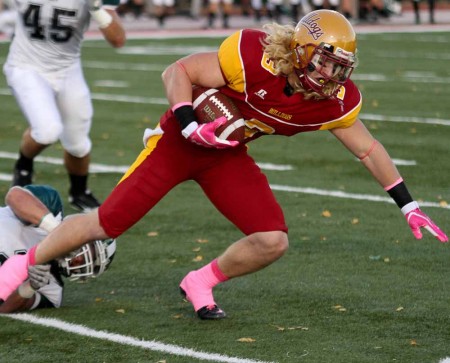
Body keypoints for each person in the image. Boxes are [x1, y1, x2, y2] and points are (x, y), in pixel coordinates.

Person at [0, 10, 447, 320]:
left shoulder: (330, 101)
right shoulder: (256, 56)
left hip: (226, 155)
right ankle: (21, 266)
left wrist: (407, 205)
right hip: (179, 142)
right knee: (107, 222)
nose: (333, 75)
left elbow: (367, 149)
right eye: (327, 62)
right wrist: (188, 120)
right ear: (304, 50)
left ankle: (200, 281)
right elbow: (177, 71)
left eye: (340, 67)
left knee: (272, 239)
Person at [4, 0, 126, 212]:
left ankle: (79, 192)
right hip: (26, 67)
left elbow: (118, 39)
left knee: (78, 144)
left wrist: (97, 9)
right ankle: (23, 166)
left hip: (67, 69)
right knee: (47, 131)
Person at [0, 185, 116, 313]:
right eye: (86, 255)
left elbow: (4, 308)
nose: (78, 263)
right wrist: (58, 233)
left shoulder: (52, 290)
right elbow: (14, 196)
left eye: (83, 266)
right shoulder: (52, 211)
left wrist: (29, 287)